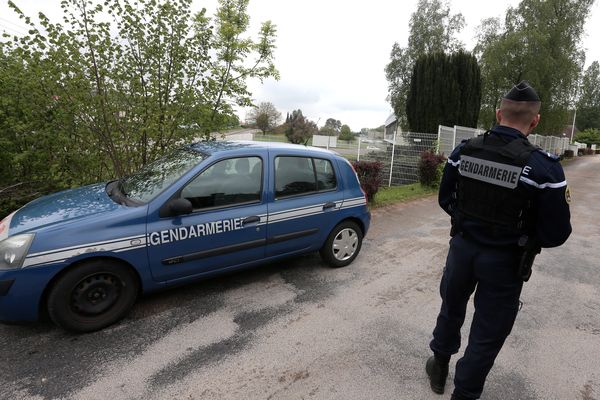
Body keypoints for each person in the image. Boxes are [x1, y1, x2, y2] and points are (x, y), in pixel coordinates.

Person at [426, 81, 572, 399]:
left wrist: (469, 221)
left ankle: (439, 364)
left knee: (451, 307)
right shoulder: (544, 169)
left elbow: (445, 199)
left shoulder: (464, 151)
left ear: (497, 114)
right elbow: (556, 233)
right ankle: (464, 393)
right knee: (487, 333)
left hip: (462, 249)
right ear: (534, 121)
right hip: (506, 262)